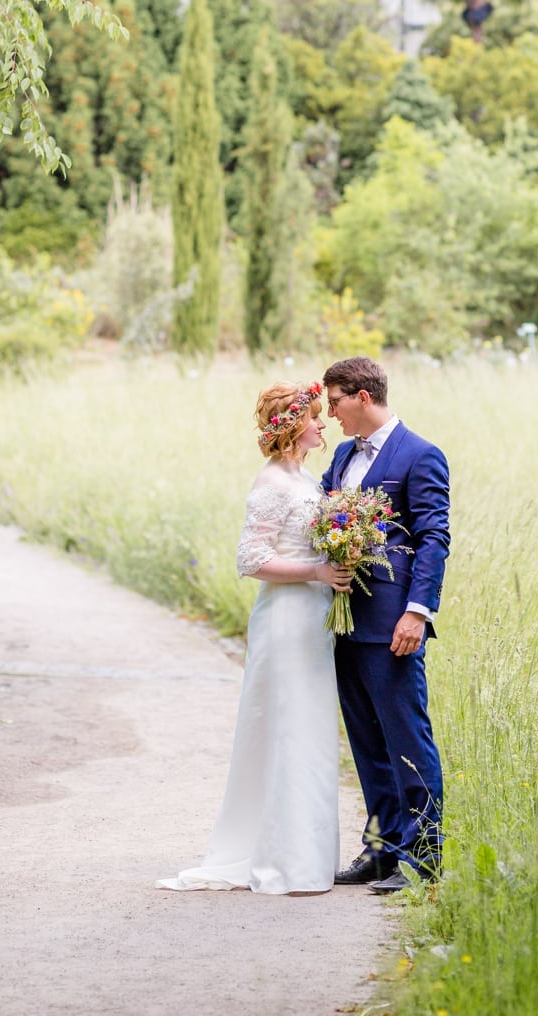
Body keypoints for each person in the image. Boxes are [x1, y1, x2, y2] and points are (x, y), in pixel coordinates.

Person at [156, 381, 352, 895]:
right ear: (290, 426)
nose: (322, 423)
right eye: (314, 416)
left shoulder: (304, 477)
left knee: (309, 729)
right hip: (286, 619)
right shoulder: (271, 483)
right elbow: (251, 560)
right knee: (288, 727)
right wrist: (317, 572)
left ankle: (306, 856)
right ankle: (284, 861)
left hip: (313, 617)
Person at [322, 356, 450, 895]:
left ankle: (421, 859)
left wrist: (416, 612)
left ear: (363, 397)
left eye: (336, 403)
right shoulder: (342, 456)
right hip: (344, 624)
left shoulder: (420, 456)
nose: (331, 416)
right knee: (367, 742)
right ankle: (380, 850)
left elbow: (433, 538)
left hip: (393, 624)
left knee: (406, 738)